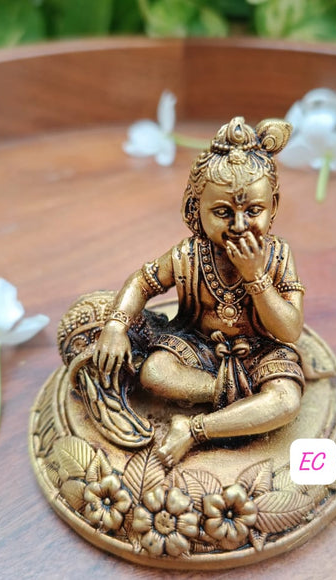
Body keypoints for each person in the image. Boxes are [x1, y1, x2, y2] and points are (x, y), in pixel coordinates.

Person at [93, 117, 306, 467]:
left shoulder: (278, 255)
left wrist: (256, 277)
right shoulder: (189, 255)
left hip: (260, 350)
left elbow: (290, 329)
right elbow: (143, 282)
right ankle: (242, 403)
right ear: (195, 208)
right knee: (155, 372)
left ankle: (195, 429)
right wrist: (116, 326)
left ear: (274, 206)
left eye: (254, 211)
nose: (239, 226)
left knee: (286, 401)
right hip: (199, 347)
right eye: (222, 212)